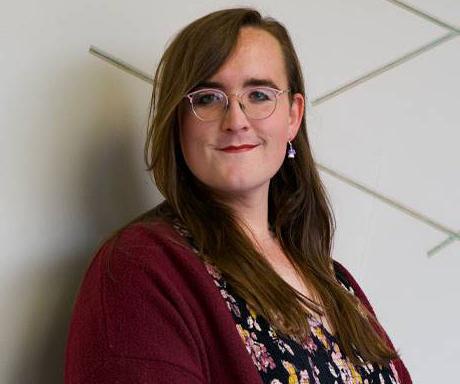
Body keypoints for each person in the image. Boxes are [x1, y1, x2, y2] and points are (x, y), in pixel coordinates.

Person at [65, 8, 412, 384]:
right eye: (208, 98)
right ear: (178, 119)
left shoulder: (334, 281)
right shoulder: (138, 269)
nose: (236, 119)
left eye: (259, 94)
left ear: (293, 117)